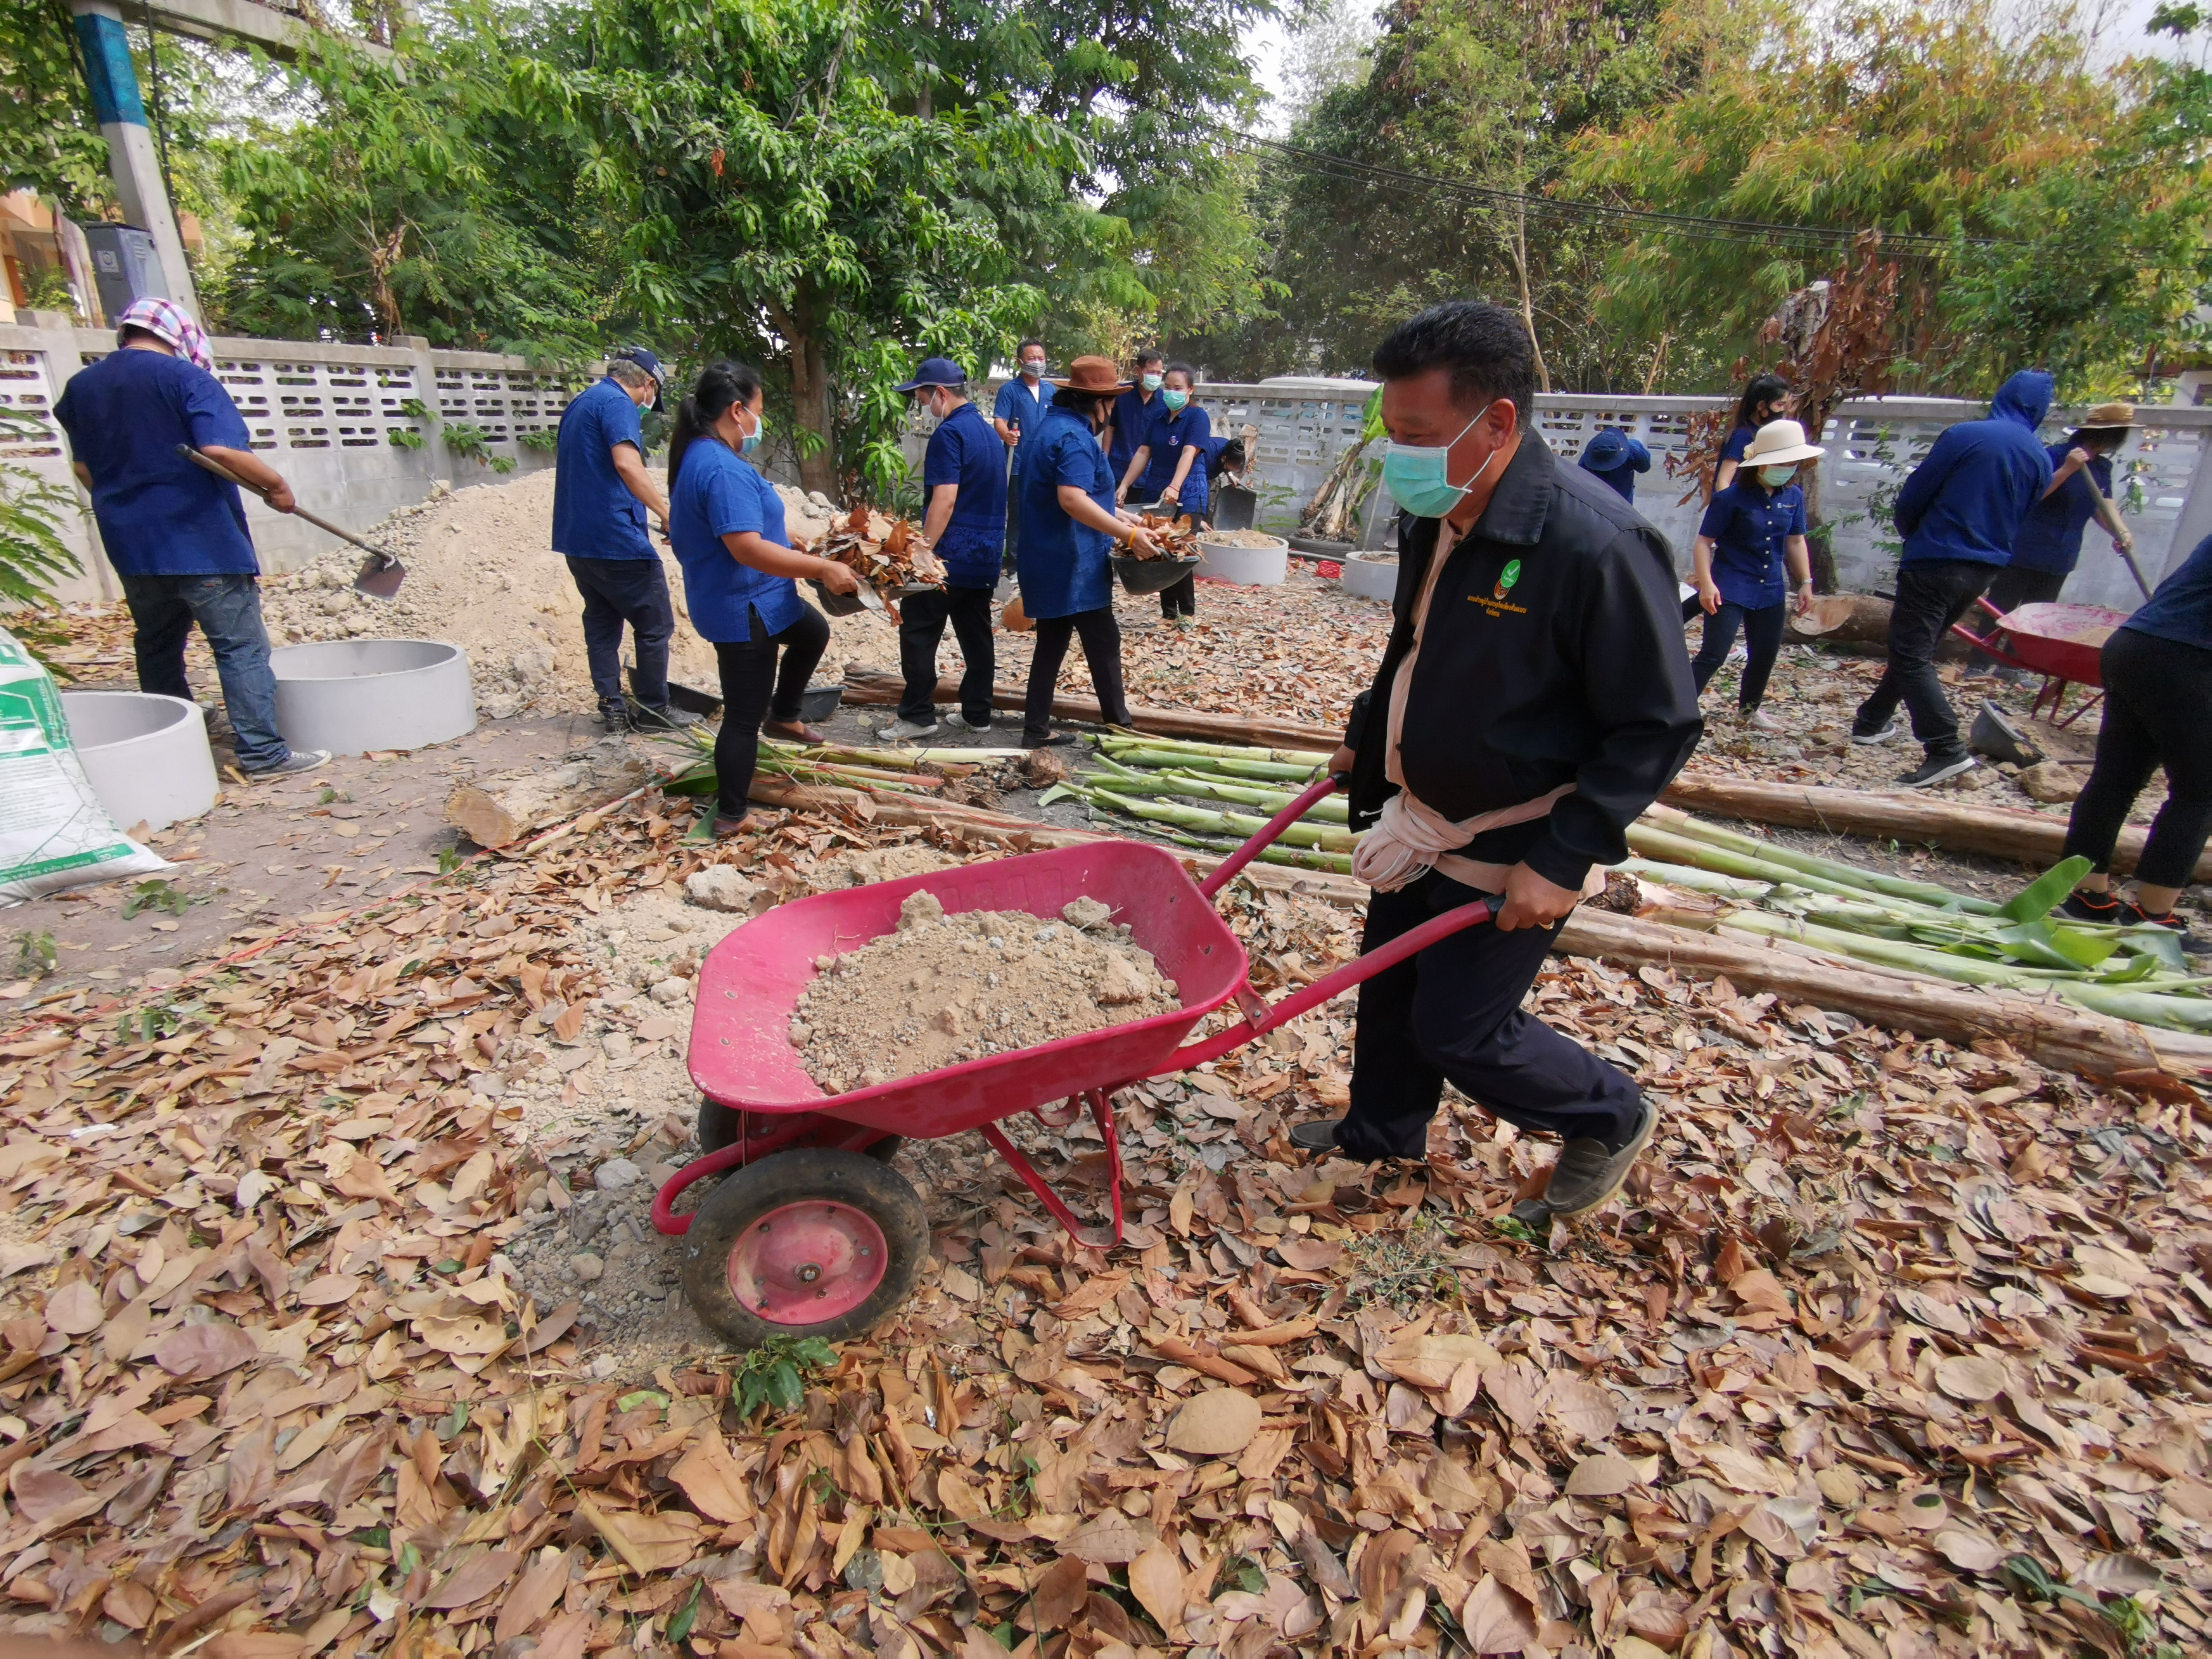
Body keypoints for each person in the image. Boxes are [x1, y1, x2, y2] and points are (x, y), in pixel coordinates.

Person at [1286, 301, 1702, 1226]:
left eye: (1417, 436)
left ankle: (1609, 1114)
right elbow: (1413, 647)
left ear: (1498, 422)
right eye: (1392, 435)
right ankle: (1381, 1130)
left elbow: (1657, 723)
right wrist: (1367, 735)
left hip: (1516, 832)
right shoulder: (1438, 515)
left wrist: (1565, 856)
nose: (1400, 458)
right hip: (1423, 809)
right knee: (1390, 986)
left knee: (1460, 1029)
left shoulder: (1597, 545)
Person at [52, 298, 330, 779]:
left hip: (133, 545)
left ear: (128, 332)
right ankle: (263, 754)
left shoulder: (82, 386)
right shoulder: (186, 378)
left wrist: (128, 503)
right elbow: (219, 449)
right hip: (201, 541)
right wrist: (277, 486)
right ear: (179, 335)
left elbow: (83, 468)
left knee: (157, 643)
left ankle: (172, 738)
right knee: (240, 648)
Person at [664, 362, 861, 834]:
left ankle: (785, 716)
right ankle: (731, 815)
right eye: (758, 411)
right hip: (742, 607)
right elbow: (746, 549)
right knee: (741, 716)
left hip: (759, 595)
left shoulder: (707, 453)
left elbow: (741, 524)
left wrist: (786, 536)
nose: (760, 422)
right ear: (737, 411)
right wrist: (823, 569)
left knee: (812, 631)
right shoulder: (719, 467)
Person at [1850, 370, 2054, 788]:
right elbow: (2024, 515)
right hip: (1985, 567)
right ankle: (1871, 721)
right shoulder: (2040, 458)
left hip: (1936, 557)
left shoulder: (1966, 436)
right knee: (1917, 649)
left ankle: (1945, 748)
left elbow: (1916, 493)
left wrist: (1913, 535)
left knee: (1910, 654)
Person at [2058, 531, 2212, 944]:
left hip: (2135, 645)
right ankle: (2153, 917)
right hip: (2188, 657)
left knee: (2116, 779)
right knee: (2199, 793)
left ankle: (2086, 898)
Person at [550, 346, 696, 734]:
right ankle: (654, 711)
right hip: (615, 540)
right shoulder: (618, 405)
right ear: (647, 384)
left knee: (602, 623)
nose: (649, 402)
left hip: (577, 539)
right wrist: (668, 515)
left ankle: (612, 708)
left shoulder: (582, 403)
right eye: (652, 393)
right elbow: (627, 465)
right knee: (655, 625)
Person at [1016, 356, 1160, 748]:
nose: (1112, 411)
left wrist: (1128, 518)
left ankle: (1035, 731)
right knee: (1104, 643)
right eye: (1111, 403)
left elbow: (1085, 496)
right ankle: (1121, 729)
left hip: (1047, 558)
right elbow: (1071, 499)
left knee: (1051, 644)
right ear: (1098, 403)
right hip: (1073, 563)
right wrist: (1129, 537)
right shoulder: (1075, 438)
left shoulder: (1049, 428)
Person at [883, 357, 1003, 741]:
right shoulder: (989, 434)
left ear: (939, 393)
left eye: (921, 397)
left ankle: (918, 716)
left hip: (949, 557)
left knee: (918, 630)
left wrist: (924, 553)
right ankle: (977, 713)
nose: (921, 405)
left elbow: (945, 500)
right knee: (976, 635)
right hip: (985, 556)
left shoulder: (949, 435)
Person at [1971, 403, 2136, 674]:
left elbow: (2103, 505)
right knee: (2001, 607)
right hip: (2026, 548)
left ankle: (2013, 668)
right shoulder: (2054, 456)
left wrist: (2122, 532)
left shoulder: (2102, 467)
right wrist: (2068, 469)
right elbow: (2032, 495)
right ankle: (1979, 664)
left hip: (2062, 554)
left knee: (2039, 615)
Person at [1689, 420, 1824, 728]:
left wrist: (1805, 583)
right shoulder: (1730, 499)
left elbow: (1796, 541)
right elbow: (1704, 542)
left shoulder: (1793, 497)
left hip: (1770, 587)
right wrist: (1707, 584)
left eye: (1792, 463)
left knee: (1764, 653)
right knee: (1715, 653)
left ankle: (1749, 710)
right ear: (1761, 463)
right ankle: (1678, 708)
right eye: (1781, 463)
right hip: (1730, 584)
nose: (1787, 469)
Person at [1118, 363, 1213, 620]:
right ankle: (1169, 614)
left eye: (1178, 388)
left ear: (1190, 390)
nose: (1172, 393)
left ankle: (1187, 614)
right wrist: (1125, 485)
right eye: (1168, 387)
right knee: (1161, 549)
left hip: (1188, 492)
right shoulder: (1159, 416)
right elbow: (1143, 452)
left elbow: (1189, 453)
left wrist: (1176, 486)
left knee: (1181, 551)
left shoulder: (1197, 418)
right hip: (1157, 490)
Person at [993, 341, 1049, 561]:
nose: (1037, 363)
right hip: (1018, 463)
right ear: (1020, 362)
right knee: (1017, 512)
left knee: (1043, 510)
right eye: (1032, 359)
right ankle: (1014, 561)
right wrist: (1007, 434)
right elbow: (999, 420)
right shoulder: (1010, 390)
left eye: (1041, 358)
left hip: (1045, 463)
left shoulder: (1050, 390)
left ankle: (1039, 557)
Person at [1713, 373, 1793, 494]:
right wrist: (1731, 505)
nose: (1783, 410)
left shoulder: (1764, 433)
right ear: (1761, 406)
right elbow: (1723, 482)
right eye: (1780, 405)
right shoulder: (1742, 436)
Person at [1105, 350, 1166, 496]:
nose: (1156, 377)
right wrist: (1104, 460)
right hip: (1118, 470)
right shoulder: (1121, 394)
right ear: (1138, 371)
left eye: (1159, 373)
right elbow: (1109, 429)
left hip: (1150, 476)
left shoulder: (1165, 401)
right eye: (1151, 372)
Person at [1577, 427, 1650, 502]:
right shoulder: (1632, 450)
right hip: (1621, 501)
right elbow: (1644, 467)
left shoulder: (1585, 460)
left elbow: (1581, 482)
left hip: (1597, 501)